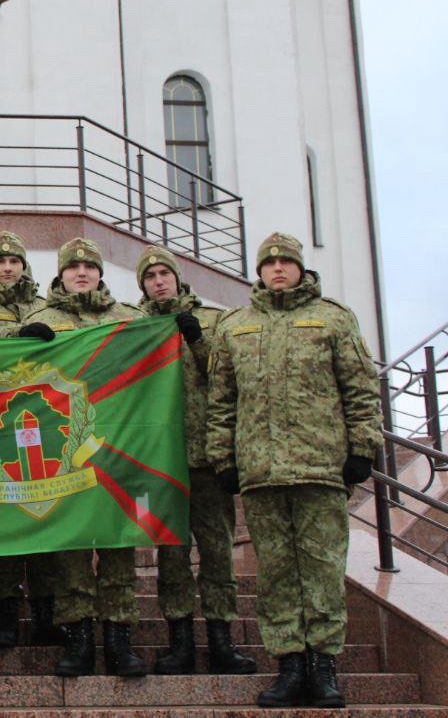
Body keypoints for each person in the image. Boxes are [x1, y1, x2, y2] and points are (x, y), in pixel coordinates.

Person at [207, 233, 381, 709]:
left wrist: (362, 447)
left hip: (320, 468)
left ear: (301, 268)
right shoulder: (234, 326)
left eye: (287, 261)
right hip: (261, 472)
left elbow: (361, 388)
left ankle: (323, 666)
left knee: (323, 572)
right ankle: (288, 665)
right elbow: (221, 400)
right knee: (277, 575)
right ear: (258, 271)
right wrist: (224, 457)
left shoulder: (333, 319)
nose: (278, 268)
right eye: (270, 262)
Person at [17, 237, 148, 677]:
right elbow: (7, 371)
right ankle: (77, 640)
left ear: (99, 272)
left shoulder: (130, 319)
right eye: (73, 267)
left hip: (117, 450)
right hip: (63, 456)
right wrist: (20, 340)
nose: (82, 273)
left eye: (89, 266)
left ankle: (119, 640)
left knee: (116, 548)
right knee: (70, 552)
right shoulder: (41, 318)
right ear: (61, 274)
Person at [135, 245, 257, 677]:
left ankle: (222, 640)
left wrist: (196, 340)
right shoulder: (133, 327)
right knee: (171, 553)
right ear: (142, 285)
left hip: (206, 458)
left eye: (165, 273)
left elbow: (228, 377)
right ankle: (179, 642)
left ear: (178, 277)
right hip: (159, 462)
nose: (159, 281)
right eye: (150, 277)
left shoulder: (212, 321)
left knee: (217, 550)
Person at [0, 231, 57, 649]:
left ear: (23, 266)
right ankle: (4, 617)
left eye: (14, 261)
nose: (6, 268)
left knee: (43, 521)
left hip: (45, 432)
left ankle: (45, 617)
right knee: (2, 524)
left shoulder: (46, 308)